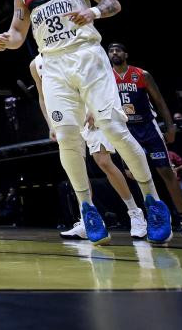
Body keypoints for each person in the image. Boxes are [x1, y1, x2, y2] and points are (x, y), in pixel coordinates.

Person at [0, 0, 171, 244]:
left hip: (86, 56)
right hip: (53, 64)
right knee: (66, 138)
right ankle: (87, 209)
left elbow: (111, 2)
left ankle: (152, 200)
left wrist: (94, 13)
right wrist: (7, 40)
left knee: (115, 129)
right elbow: (18, 33)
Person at [30, 55, 148, 240]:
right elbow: (42, 96)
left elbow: (97, 78)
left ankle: (135, 213)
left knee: (103, 161)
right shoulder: (35, 64)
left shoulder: (73, 47)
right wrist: (51, 124)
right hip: (67, 114)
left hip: (90, 108)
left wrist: (95, 107)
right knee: (76, 168)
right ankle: (89, 220)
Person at [107, 43, 182, 237]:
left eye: (118, 50)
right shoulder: (106, 77)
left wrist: (170, 126)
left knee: (166, 171)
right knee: (135, 175)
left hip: (148, 127)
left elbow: (159, 101)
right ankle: (152, 219)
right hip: (126, 130)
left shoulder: (141, 74)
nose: (114, 52)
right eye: (111, 50)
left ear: (126, 54)